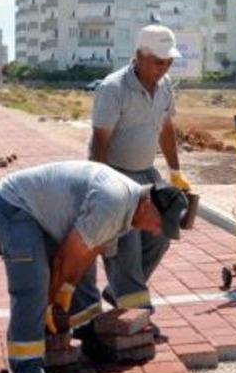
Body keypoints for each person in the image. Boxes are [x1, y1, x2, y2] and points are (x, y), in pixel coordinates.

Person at [0, 161, 187, 373]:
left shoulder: (128, 210)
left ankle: (83, 331)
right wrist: (48, 305)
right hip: (15, 205)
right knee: (34, 287)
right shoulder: (114, 202)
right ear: (148, 206)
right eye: (159, 224)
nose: (155, 231)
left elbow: (87, 255)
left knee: (74, 276)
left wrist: (65, 294)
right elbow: (64, 260)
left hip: (43, 210)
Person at [79, 24, 191, 338]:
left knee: (164, 232)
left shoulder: (166, 85)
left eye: (168, 61)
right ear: (140, 56)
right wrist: (100, 189)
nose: (164, 67)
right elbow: (100, 140)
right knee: (125, 247)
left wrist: (176, 172)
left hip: (146, 173)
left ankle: (121, 293)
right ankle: (138, 316)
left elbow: (166, 129)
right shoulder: (113, 89)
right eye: (158, 61)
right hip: (114, 174)